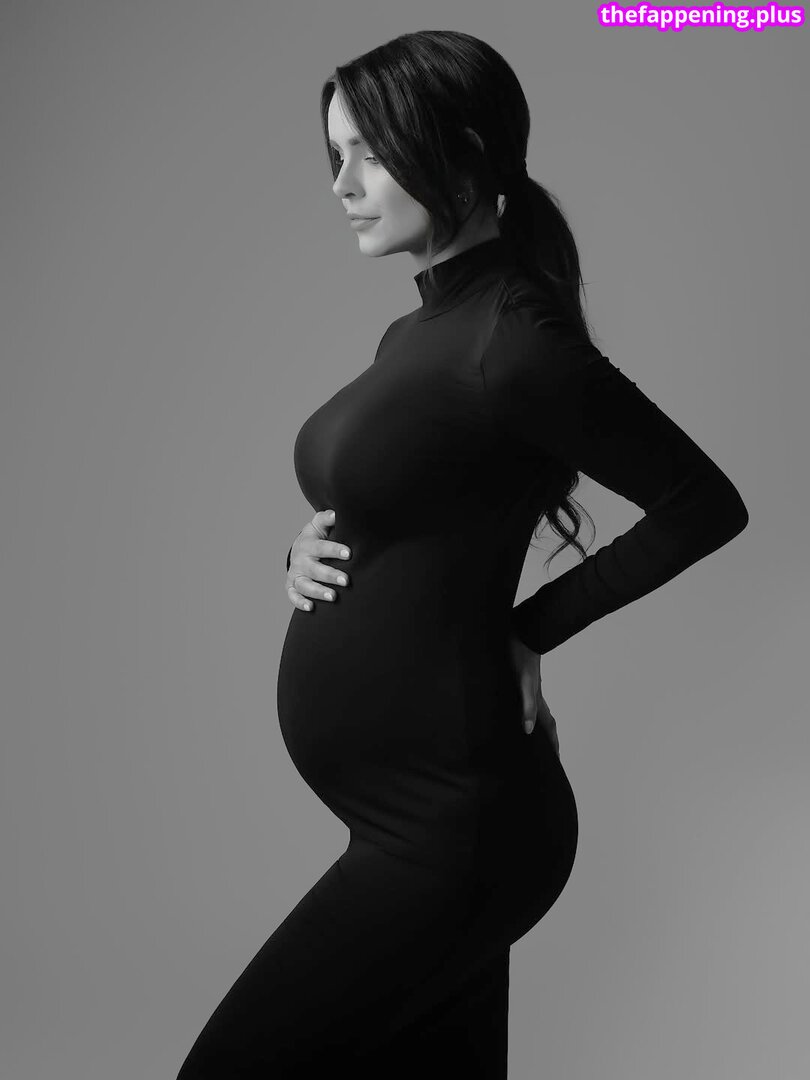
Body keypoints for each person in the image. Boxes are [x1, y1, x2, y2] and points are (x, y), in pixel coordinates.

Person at [176, 30, 748, 1079]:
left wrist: (534, 630)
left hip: (455, 830)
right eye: (335, 155)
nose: (342, 183)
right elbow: (424, 503)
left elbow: (703, 505)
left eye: (370, 153)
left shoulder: (512, 339)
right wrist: (311, 545)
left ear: (468, 152)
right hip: (425, 822)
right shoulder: (421, 333)